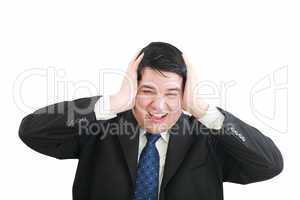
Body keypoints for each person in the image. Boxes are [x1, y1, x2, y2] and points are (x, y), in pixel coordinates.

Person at [19, 42, 283, 200]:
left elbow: (269, 165)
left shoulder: (208, 137)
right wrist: (112, 102)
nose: (158, 105)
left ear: (185, 93)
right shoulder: (100, 127)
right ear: (132, 88)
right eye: (147, 91)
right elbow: (31, 131)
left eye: (172, 93)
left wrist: (202, 110)